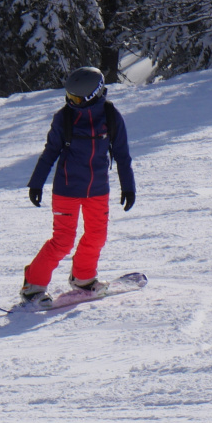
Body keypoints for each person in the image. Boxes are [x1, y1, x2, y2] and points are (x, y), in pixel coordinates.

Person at [20, 67, 136, 308]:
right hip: (67, 190)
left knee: (96, 235)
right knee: (62, 240)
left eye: (75, 99)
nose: (69, 102)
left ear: (93, 95)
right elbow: (50, 151)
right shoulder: (64, 118)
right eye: (68, 97)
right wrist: (36, 182)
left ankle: (83, 278)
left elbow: (122, 155)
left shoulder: (112, 118)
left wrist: (128, 187)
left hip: (98, 190)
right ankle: (33, 286)